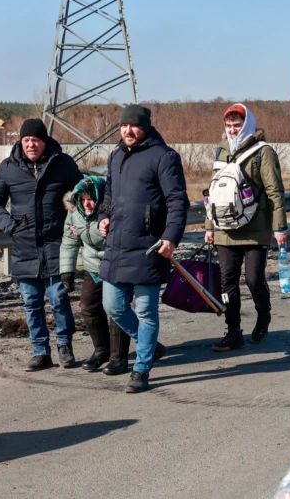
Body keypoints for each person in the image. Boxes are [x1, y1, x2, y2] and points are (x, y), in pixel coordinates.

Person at [99, 104, 189, 393]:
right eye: (124, 126)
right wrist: (104, 216)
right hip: (117, 244)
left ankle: (141, 368)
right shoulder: (115, 157)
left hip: (149, 245)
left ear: (146, 127)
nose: (128, 130)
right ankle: (149, 343)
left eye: (134, 126)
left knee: (147, 311)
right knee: (112, 304)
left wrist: (171, 237)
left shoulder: (164, 157)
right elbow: (109, 194)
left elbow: (177, 200)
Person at [0, 119, 83, 371]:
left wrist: (76, 223)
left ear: (44, 141)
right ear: (20, 141)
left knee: (59, 298)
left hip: (56, 243)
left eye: (35, 140)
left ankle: (64, 346)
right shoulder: (8, 168)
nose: (31, 145)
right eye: (26, 140)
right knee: (31, 302)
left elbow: (83, 195)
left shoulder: (64, 164)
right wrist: (10, 225)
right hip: (24, 246)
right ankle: (40, 351)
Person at [204, 103, 287, 351]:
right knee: (227, 282)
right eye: (228, 125)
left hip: (255, 226)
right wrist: (209, 226)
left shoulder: (264, 152)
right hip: (224, 229)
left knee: (253, 280)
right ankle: (233, 331)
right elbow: (213, 192)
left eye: (236, 125)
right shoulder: (220, 151)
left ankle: (263, 315)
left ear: (247, 124)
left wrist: (280, 228)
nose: (231, 130)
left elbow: (275, 192)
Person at [59, 175, 132, 375]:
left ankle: (119, 358)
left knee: (116, 308)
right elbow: (69, 241)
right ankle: (102, 350)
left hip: (117, 264)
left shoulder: (112, 211)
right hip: (93, 266)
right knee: (88, 306)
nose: (86, 204)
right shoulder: (75, 212)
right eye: (81, 200)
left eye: (89, 198)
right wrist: (67, 270)